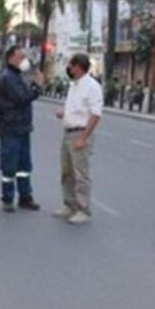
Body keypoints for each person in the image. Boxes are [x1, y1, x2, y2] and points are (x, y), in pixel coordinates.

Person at [54, 53, 103, 224]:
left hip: (80, 133)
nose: (68, 68)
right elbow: (78, 109)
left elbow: (95, 114)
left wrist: (83, 138)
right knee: (66, 171)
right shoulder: (74, 85)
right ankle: (70, 205)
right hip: (68, 132)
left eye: (70, 65)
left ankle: (83, 210)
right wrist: (64, 113)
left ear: (78, 67)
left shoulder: (92, 87)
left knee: (81, 174)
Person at [0, 45, 45, 212]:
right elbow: (22, 98)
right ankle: (8, 198)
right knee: (9, 165)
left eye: (24, 56)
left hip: (22, 127)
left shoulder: (18, 76)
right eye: (21, 57)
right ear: (11, 58)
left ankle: (25, 196)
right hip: (10, 128)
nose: (24, 60)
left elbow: (25, 96)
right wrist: (37, 86)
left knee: (24, 166)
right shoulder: (8, 77)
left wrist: (34, 86)